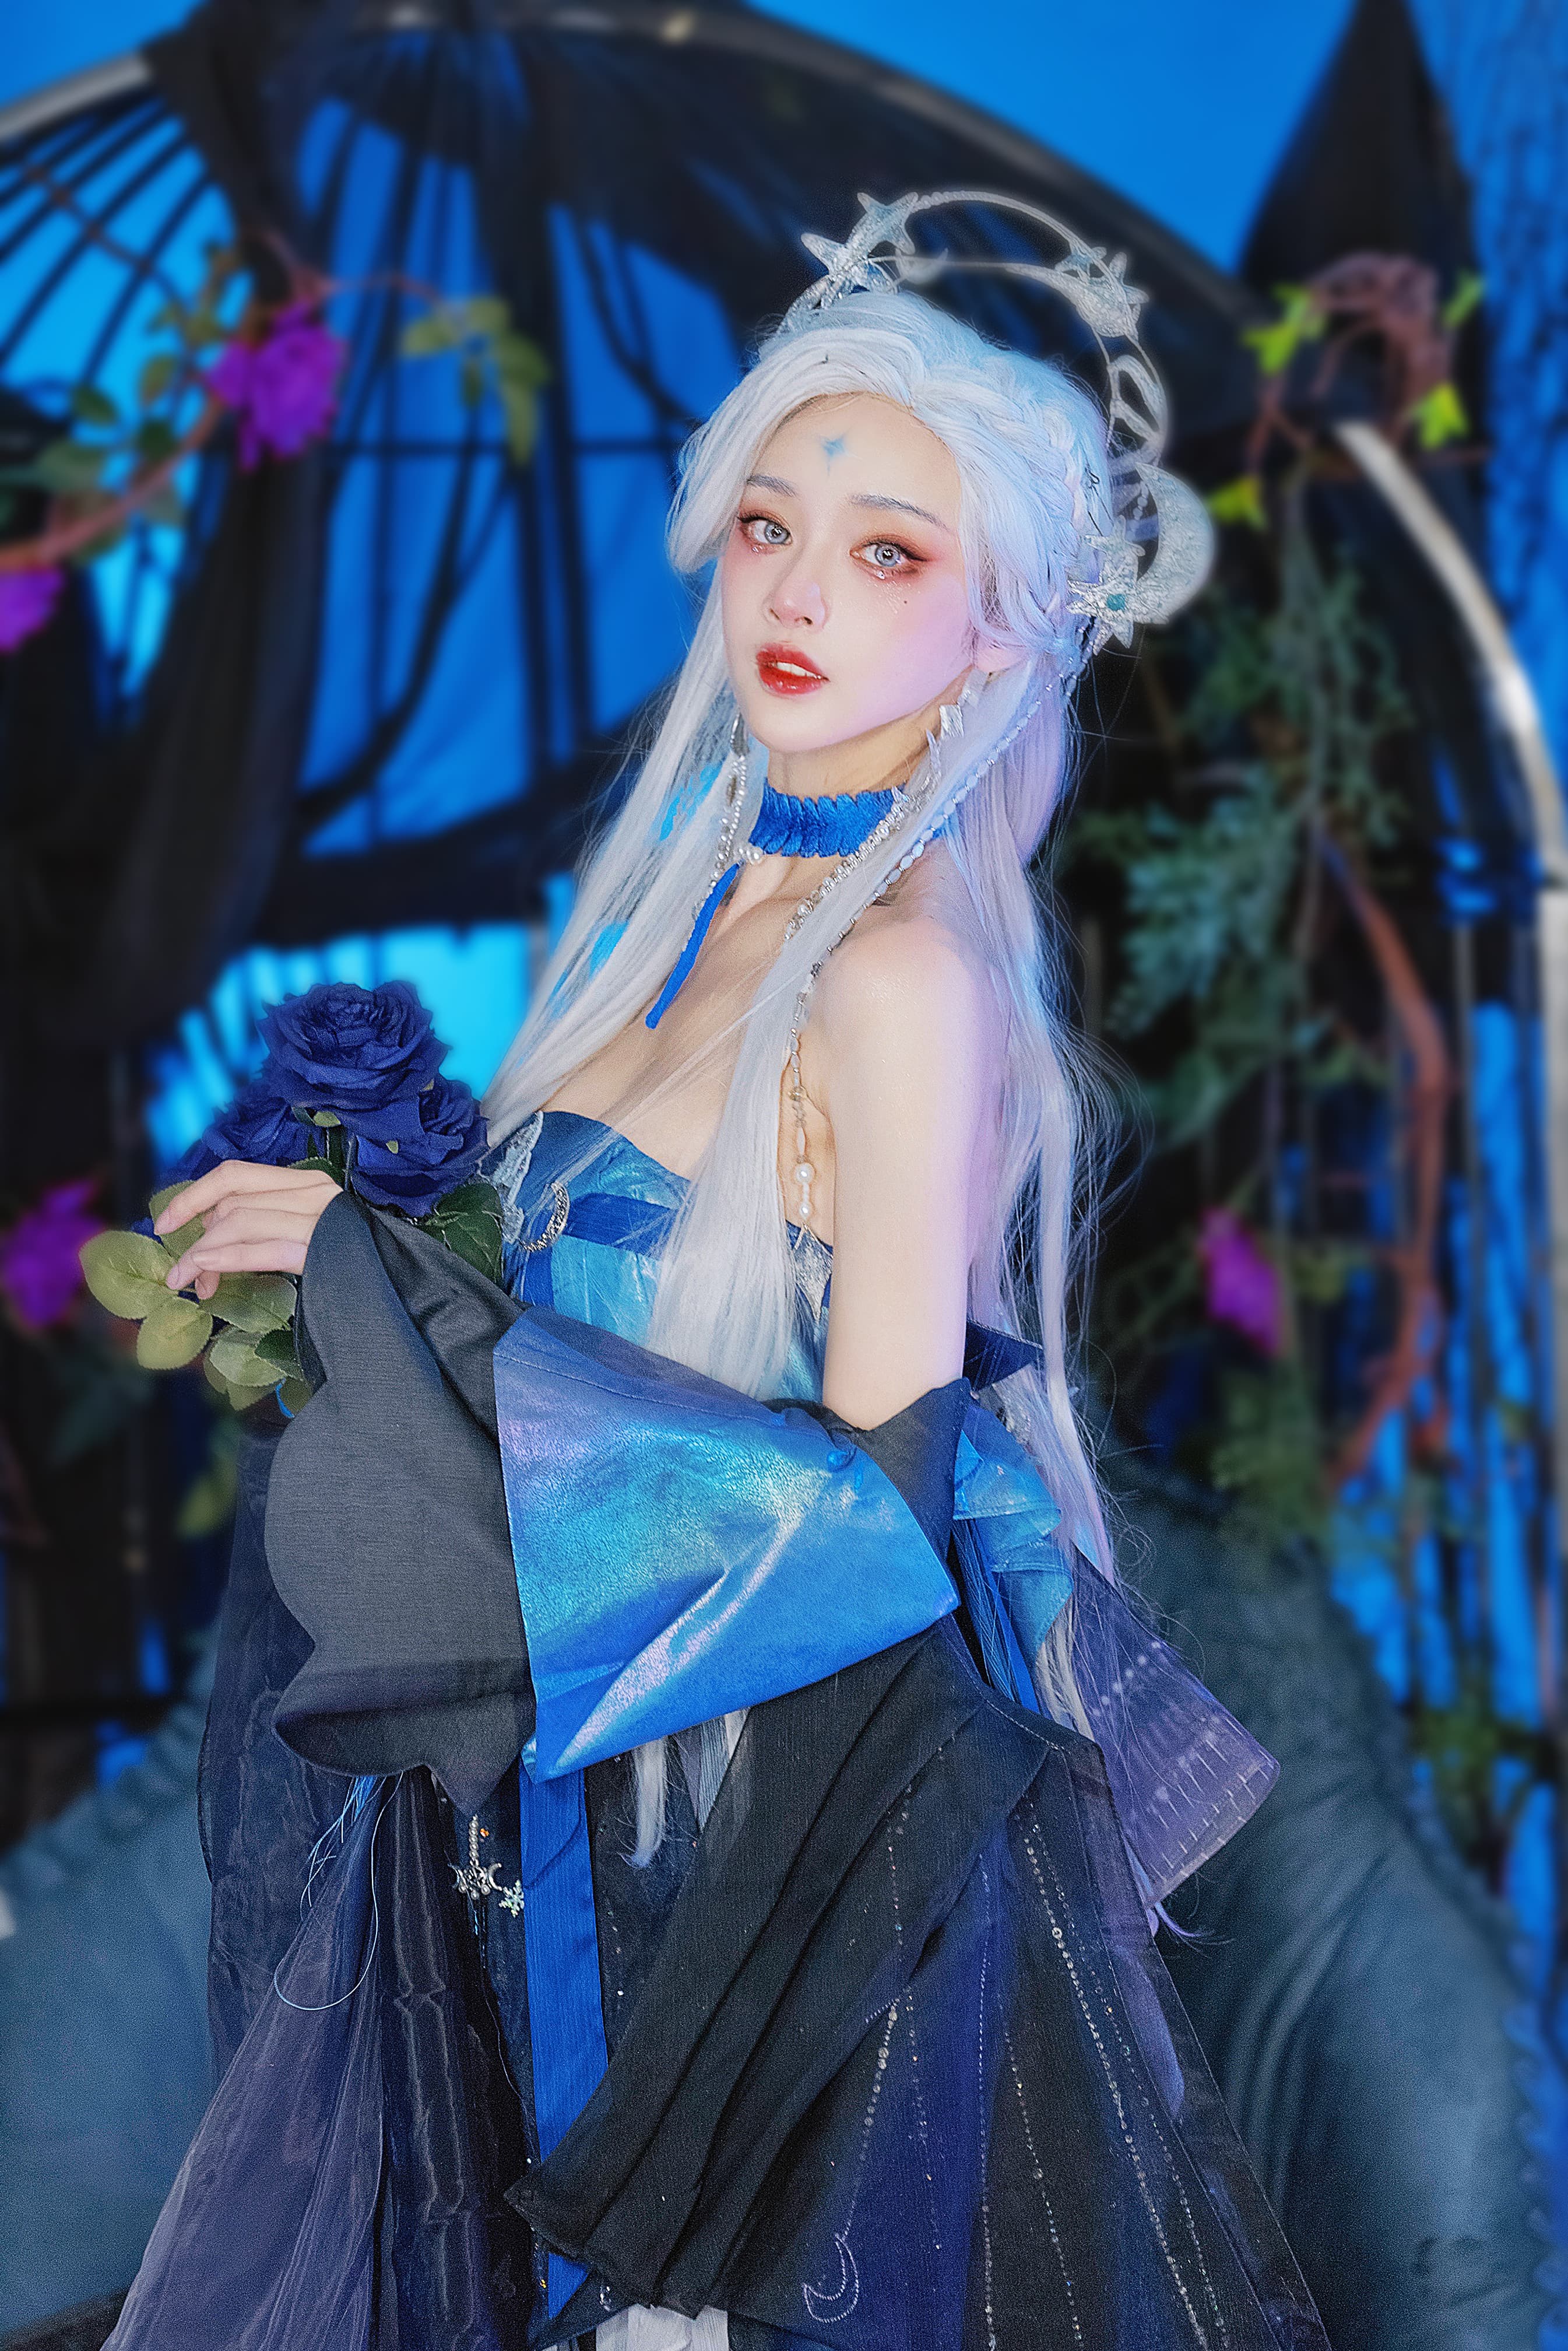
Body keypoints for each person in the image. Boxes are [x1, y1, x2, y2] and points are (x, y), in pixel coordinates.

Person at [110, 195, 1328, 2350]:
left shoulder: (899, 975)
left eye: (889, 553)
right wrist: (366, 1288)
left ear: (999, 641)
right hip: (569, 1769)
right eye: (770, 525)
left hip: (749, 1815)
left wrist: (393, 1289)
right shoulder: (686, 910)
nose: (798, 589)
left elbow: (867, 1529)